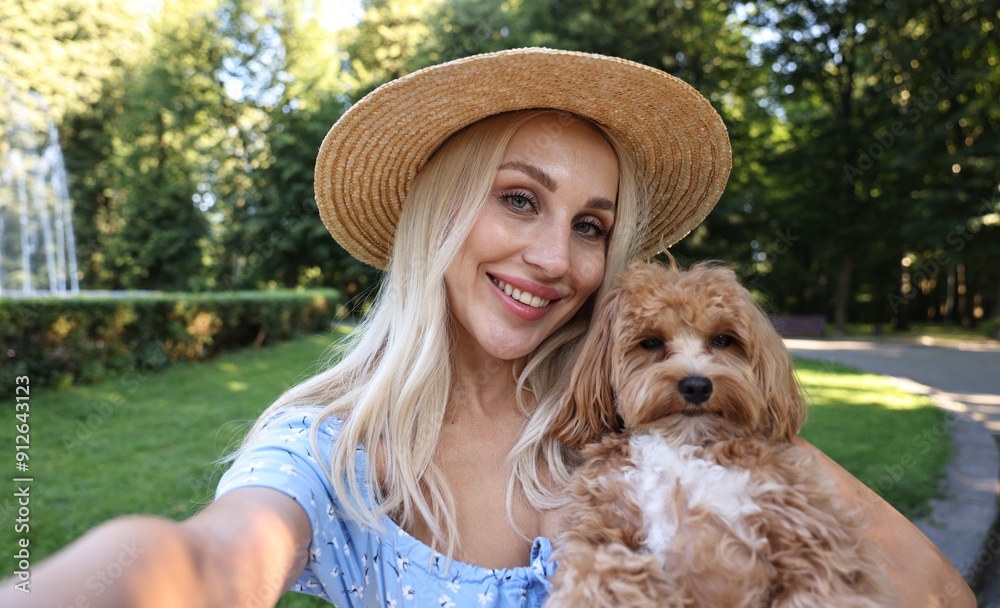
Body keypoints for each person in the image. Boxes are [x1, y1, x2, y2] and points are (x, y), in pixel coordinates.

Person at [1, 48, 973, 607]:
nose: (556, 257)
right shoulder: (332, 453)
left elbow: (932, 584)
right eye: (518, 199)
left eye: (590, 225)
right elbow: (211, 559)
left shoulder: (653, 412)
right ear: (442, 213)